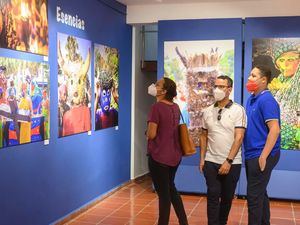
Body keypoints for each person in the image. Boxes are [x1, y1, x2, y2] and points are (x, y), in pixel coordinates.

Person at [199, 75, 246, 225]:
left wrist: (228, 161)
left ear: (229, 89)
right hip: (211, 161)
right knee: (212, 196)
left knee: (226, 198)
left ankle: (222, 222)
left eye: (221, 87)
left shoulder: (238, 110)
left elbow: (239, 138)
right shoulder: (207, 111)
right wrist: (202, 159)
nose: (217, 89)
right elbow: (203, 136)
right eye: (216, 86)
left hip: (232, 163)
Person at [146, 77, 188, 225]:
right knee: (171, 189)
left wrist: (146, 133)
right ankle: (183, 221)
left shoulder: (156, 108)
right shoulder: (175, 107)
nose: (153, 86)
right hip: (174, 156)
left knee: (163, 195)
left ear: (163, 91)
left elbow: (151, 134)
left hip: (159, 157)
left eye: (157, 85)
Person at [244, 65, 281, 225]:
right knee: (260, 193)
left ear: (263, 80)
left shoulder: (267, 100)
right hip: (252, 153)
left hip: (261, 154)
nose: (249, 79)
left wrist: (264, 156)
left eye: (253, 76)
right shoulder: (251, 98)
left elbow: (275, 130)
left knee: (253, 197)